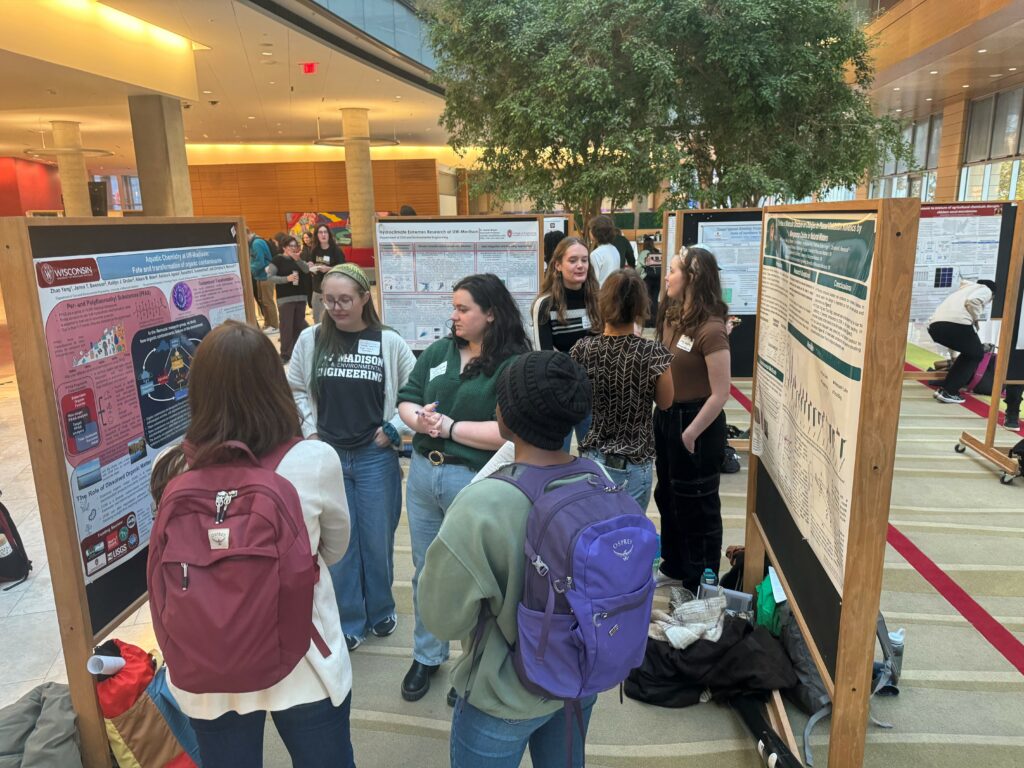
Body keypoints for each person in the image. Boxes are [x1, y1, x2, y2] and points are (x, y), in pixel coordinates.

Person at [149, 321, 353, 768]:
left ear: (198, 389)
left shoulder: (174, 468)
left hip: (208, 666)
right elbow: (334, 551)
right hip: (303, 659)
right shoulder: (315, 460)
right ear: (274, 382)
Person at [418, 350, 597, 768]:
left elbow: (441, 619)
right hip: (581, 677)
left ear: (504, 415)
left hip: (504, 692)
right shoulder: (598, 478)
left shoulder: (482, 503)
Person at [396, 273, 530, 703]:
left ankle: (472, 666)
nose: (453, 316)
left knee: (477, 579)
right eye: (453, 307)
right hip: (421, 475)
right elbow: (408, 397)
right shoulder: (438, 351)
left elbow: (512, 432)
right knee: (425, 571)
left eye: (463, 309)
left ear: (490, 314)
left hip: (473, 481)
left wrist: (450, 427)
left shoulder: (512, 363)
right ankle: (426, 655)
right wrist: (420, 419)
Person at [289, 263, 415, 653]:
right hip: (327, 456)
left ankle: (380, 609)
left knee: (377, 539)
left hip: (374, 455)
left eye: (345, 300)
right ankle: (349, 619)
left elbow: (414, 391)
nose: (337, 307)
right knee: (339, 545)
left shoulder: (387, 341)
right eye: (329, 300)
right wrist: (309, 429)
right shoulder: (311, 340)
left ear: (364, 298)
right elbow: (294, 386)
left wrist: (393, 428)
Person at [654, 246, 731, 593]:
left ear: (692, 278)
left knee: (697, 506)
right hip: (668, 417)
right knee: (667, 497)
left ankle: (700, 582)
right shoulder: (672, 317)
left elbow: (721, 392)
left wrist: (689, 433)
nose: (666, 276)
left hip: (695, 423)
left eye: (672, 270)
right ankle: (673, 565)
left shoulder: (711, 329)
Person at [570, 269, 673, 510]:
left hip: (593, 457)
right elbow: (666, 402)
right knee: (629, 537)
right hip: (635, 461)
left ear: (602, 302)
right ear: (640, 307)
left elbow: (575, 401)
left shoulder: (581, 350)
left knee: (595, 532)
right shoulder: (654, 354)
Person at [530, 236, 600, 450]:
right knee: (557, 460)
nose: (580, 265)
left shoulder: (598, 300)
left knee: (595, 459)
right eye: (573, 260)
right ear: (558, 265)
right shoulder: (545, 304)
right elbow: (544, 358)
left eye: (584, 260)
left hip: (594, 395)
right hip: (560, 395)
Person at [927, 279, 997, 404]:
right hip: (957, 324)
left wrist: (953, 355)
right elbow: (973, 301)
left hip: (934, 327)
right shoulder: (985, 289)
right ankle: (950, 391)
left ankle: (945, 389)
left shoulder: (961, 291)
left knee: (969, 353)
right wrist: (975, 319)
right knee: (977, 354)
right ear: (992, 294)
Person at [266, 235, 310, 363]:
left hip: (301, 296)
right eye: (291, 246)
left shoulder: (298, 259)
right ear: (284, 247)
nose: (294, 248)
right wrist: (286, 279)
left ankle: (297, 353)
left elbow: (306, 270)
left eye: (295, 246)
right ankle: (285, 354)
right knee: (286, 327)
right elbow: (270, 277)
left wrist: (298, 260)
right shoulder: (277, 260)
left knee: (298, 325)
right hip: (285, 298)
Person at [307, 224, 346, 322]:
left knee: (333, 319)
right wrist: (310, 266)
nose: (323, 234)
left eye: (325, 232)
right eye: (320, 232)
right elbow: (311, 264)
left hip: (333, 289)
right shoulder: (314, 250)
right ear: (317, 235)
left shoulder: (336, 250)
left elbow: (343, 268)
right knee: (317, 319)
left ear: (329, 234)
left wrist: (328, 269)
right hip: (317, 289)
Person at [248, 229, 278, 333]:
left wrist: (248, 269)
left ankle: (274, 325)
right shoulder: (253, 243)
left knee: (268, 301)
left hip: (266, 276)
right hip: (260, 276)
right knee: (262, 301)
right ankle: (267, 323)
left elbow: (259, 262)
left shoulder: (256, 243)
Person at [588, 215, 620, 286]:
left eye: (590, 229)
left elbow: (594, 281)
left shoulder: (596, 254)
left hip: (601, 294)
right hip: (614, 291)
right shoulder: (614, 249)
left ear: (595, 232)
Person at [639, 236, 662, 326]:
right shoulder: (657, 252)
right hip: (657, 278)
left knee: (647, 299)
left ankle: (648, 322)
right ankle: (655, 321)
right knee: (655, 299)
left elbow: (638, 267)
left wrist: (640, 276)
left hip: (647, 279)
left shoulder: (644, 252)